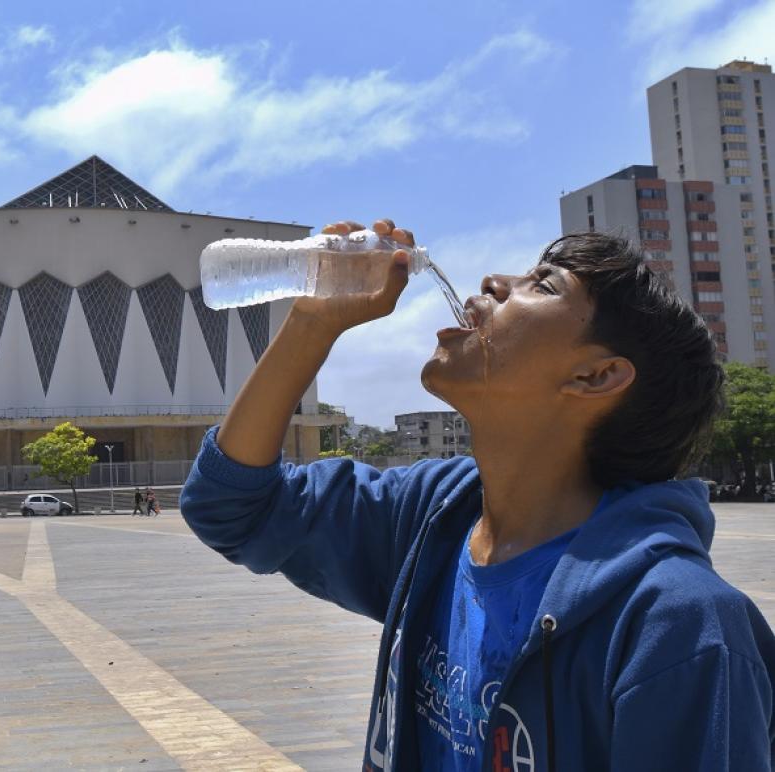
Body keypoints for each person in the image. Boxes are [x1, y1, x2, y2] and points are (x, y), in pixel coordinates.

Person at [180, 220, 775, 770]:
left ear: (595, 376)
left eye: (543, 284)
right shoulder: (432, 517)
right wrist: (312, 324)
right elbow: (230, 505)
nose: (493, 281)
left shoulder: (679, 626)